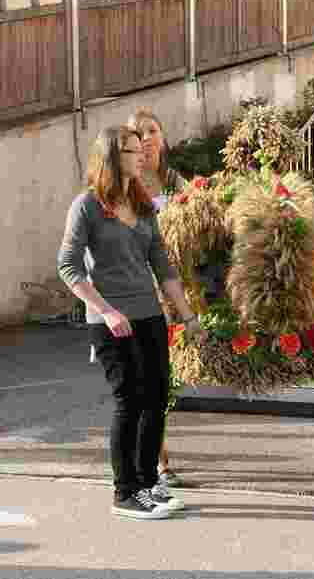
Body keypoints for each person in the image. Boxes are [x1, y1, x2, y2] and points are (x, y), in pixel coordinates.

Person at [58, 125, 204, 520]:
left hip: (149, 315)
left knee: (156, 398)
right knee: (130, 400)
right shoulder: (87, 205)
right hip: (110, 321)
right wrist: (106, 310)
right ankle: (125, 492)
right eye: (131, 151)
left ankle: (147, 483)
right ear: (110, 156)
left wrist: (188, 316)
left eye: (142, 150)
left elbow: (162, 265)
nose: (141, 156)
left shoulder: (142, 205)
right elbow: (68, 267)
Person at [127, 107, 187, 488]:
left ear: (162, 138)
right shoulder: (126, 185)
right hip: (139, 290)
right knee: (146, 380)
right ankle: (157, 461)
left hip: (174, 289)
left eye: (152, 130)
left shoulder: (175, 182)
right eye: (139, 132)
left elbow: (199, 218)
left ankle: (151, 456)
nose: (146, 138)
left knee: (166, 380)